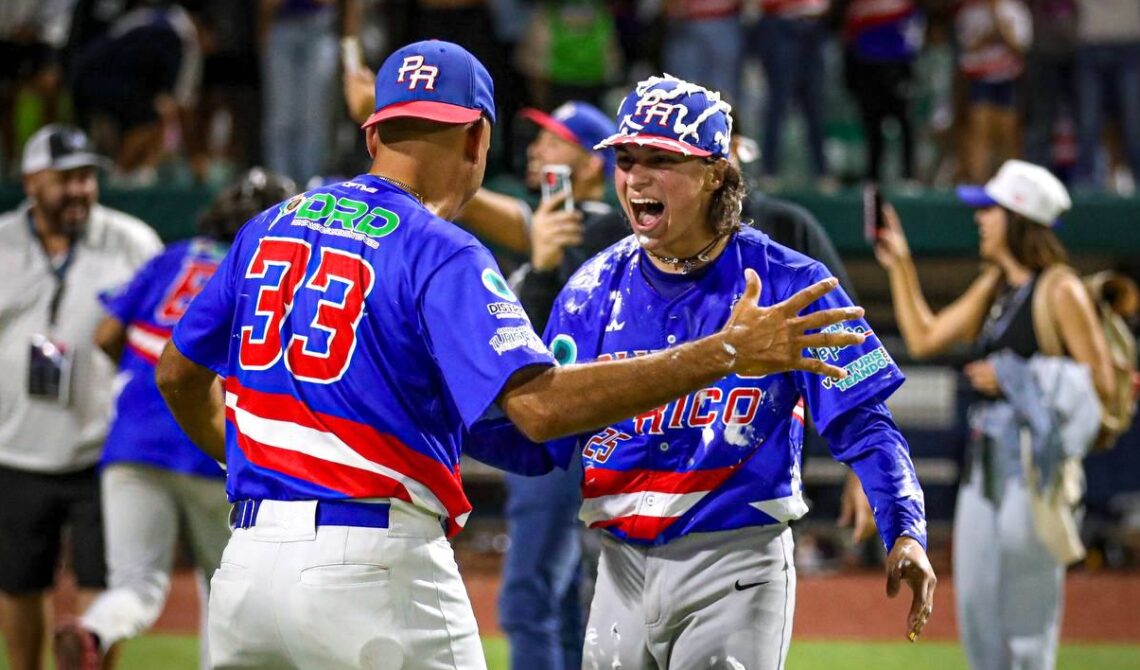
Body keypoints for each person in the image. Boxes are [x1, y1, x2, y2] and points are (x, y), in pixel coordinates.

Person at [155, 40, 867, 670]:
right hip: (371, 566)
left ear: (373, 132)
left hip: (246, 568)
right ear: (477, 137)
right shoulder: (440, 249)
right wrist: (723, 353)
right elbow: (539, 409)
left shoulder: (269, 227)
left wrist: (239, 455)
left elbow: (178, 373)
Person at [540, 74, 935, 669]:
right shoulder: (588, 290)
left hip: (736, 565)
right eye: (626, 159)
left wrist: (905, 527)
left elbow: (865, 421)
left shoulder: (790, 281)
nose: (636, 177)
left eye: (661, 159)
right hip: (616, 566)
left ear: (715, 173)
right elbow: (542, 430)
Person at [53, 168, 298, 670]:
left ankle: (95, 630)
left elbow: (105, 334)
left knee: (136, 586)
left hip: (132, 439)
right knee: (227, 586)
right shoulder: (270, 268)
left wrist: (141, 377)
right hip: (213, 442)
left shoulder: (172, 256)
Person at [874, 158, 1115, 669]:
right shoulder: (996, 286)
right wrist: (900, 265)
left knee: (1027, 616)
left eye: (990, 209)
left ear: (1018, 218)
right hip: (983, 466)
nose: (980, 218)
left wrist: (1014, 376)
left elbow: (1101, 386)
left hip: (1034, 469)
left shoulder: (1060, 289)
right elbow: (924, 337)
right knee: (978, 606)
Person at [0, 124, 162, 670]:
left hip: (103, 448)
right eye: (65, 178)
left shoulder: (132, 241)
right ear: (31, 182)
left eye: (87, 177)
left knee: (102, 582)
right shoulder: (2, 243)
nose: (80, 190)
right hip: (15, 450)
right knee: (19, 584)